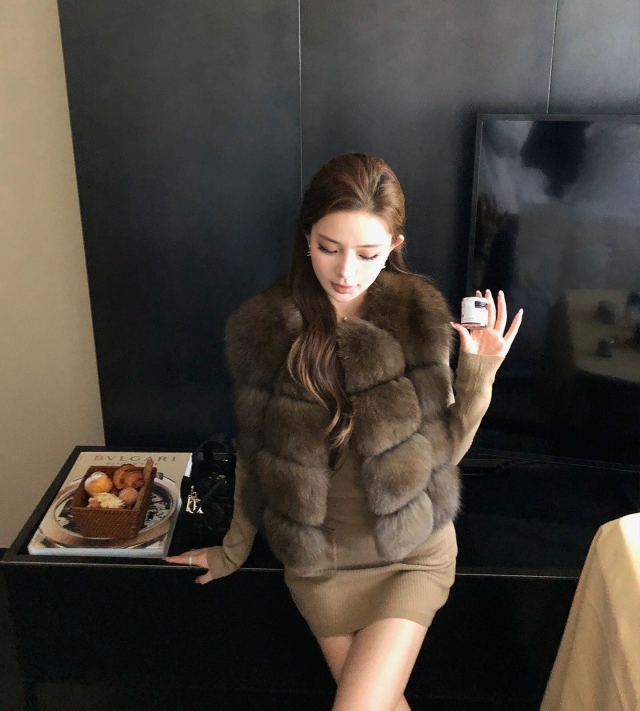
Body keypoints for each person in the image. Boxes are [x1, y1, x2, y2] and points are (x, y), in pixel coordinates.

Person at [166, 153, 523, 711]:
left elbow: (442, 455)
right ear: (306, 237)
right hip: (322, 566)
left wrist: (478, 376)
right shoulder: (265, 330)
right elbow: (257, 460)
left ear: (395, 245)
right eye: (328, 247)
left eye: (368, 253)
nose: (345, 272)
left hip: (410, 554)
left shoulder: (418, 317)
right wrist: (231, 552)